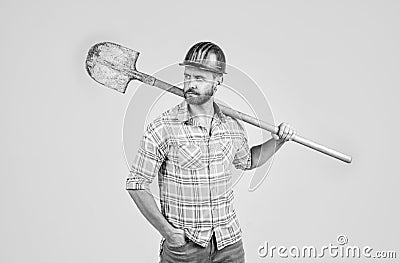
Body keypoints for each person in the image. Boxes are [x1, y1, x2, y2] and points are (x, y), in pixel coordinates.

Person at [126, 42, 296, 263]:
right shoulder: (162, 128)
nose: (190, 84)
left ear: (218, 82)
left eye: (199, 78)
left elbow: (249, 161)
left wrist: (279, 141)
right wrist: (170, 234)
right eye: (188, 76)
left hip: (229, 245)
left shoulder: (232, 125)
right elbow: (136, 184)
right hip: (185, 249)